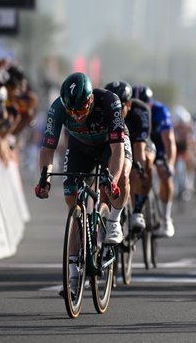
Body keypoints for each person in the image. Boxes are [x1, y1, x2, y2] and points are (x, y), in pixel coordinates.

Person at [35, 72, 132, 294]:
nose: (76, 116)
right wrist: (44, 178)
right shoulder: (58, 108)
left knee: (122, 177)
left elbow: (118, 150)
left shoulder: (109, 101)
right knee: (72, 204)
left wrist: (112, 179)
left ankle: (114, 221)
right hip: (80, 147)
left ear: (91, 100)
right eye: (71, 112)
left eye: (80, 111)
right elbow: (47, 149)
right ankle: (73, 277)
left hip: (110, 144)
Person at [105, 81, 151, 230]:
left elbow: (140, 146)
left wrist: (139, 167)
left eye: (121, 106)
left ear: (129, 104)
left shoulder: (141, 110)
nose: (116, 110)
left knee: (144, 163)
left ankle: (138, 210)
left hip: (138, 141)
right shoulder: (107, 111)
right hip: (117, 142)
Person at [133, 85, 177, 238]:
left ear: (150, 103)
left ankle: (166, 219)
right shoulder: (130, 112)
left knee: (164, 173)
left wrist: (170, 163)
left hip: (158, 142)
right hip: (140, 142)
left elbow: (169, 140)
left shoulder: (160, 111)